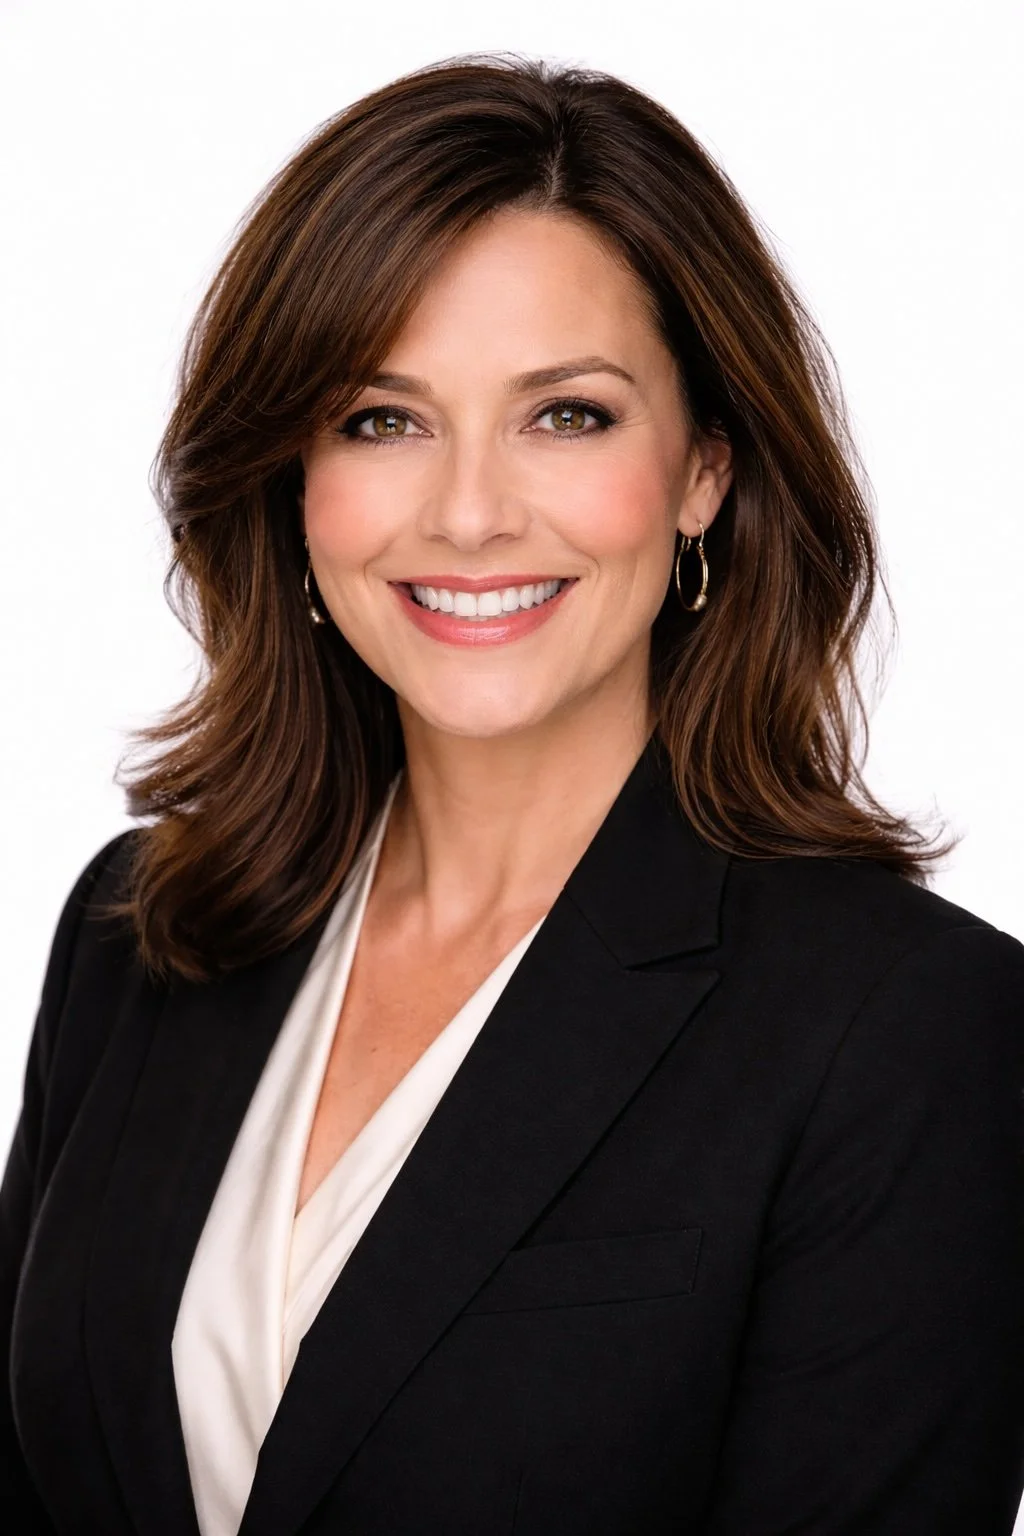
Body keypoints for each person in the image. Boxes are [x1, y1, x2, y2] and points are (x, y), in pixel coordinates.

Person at [2, 52, 1023, 1536]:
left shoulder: (905, 1031)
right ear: (290, 483)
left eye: (567, 415)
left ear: (703, 473)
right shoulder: (138, 929)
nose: (471, 512)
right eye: (380, 419)